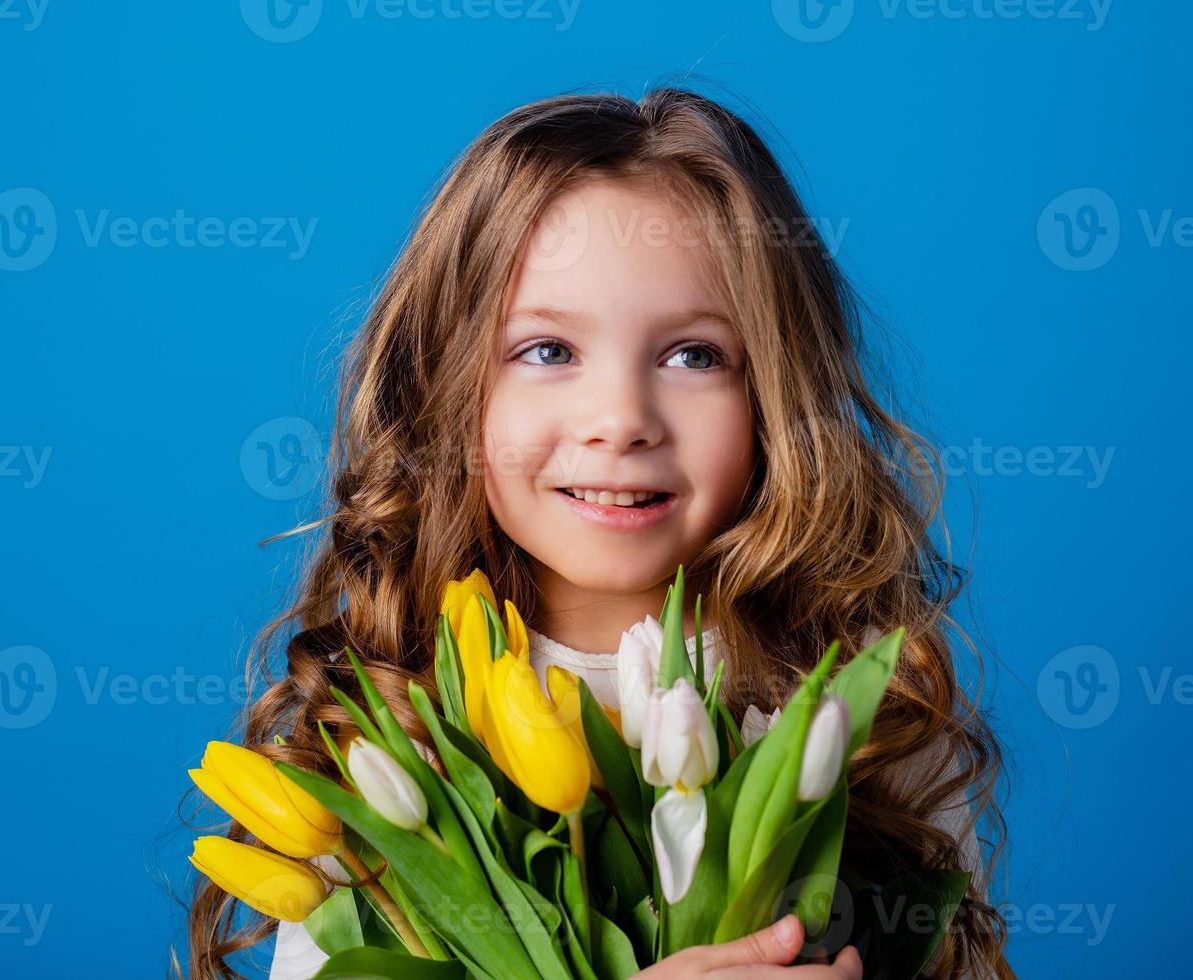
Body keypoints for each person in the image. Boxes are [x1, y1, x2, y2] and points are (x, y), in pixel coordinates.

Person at [184, 87, 1011, 979]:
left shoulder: (856, 713)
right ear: (449, 384)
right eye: (547, 351)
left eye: (694, 355)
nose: (621, 420)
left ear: (776, 394)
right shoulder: (391, 730)